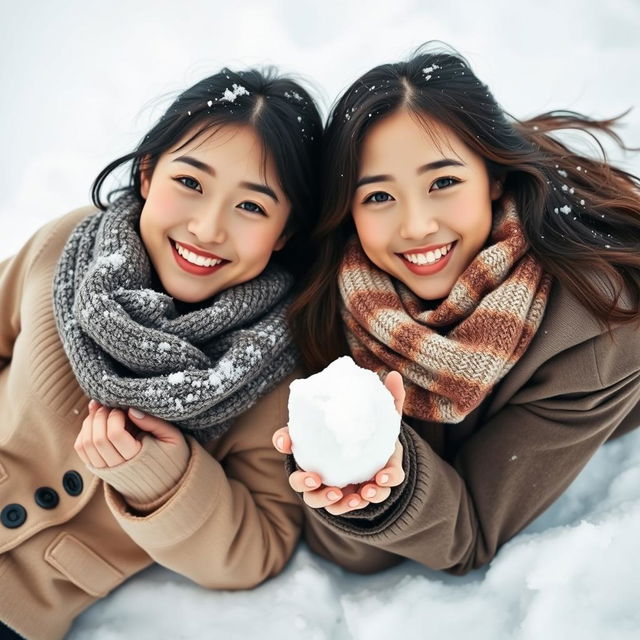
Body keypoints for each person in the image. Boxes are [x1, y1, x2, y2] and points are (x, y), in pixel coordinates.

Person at [273, 44, 640, 576]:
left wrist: (395, 485)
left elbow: (470, 531)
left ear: (493, 178)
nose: (417, 225)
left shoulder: (601, 332)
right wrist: (356, 467)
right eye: (378, 196)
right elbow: (352, 553)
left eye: (443, 183)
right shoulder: (335, 287)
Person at [0, 66, 321, 640]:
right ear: (147, 174)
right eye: (191, 183)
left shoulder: (277, 374)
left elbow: (261, 548)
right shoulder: (66, 248)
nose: (207, 227)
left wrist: (161, 480)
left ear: (285, 232)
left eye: (251, 207)